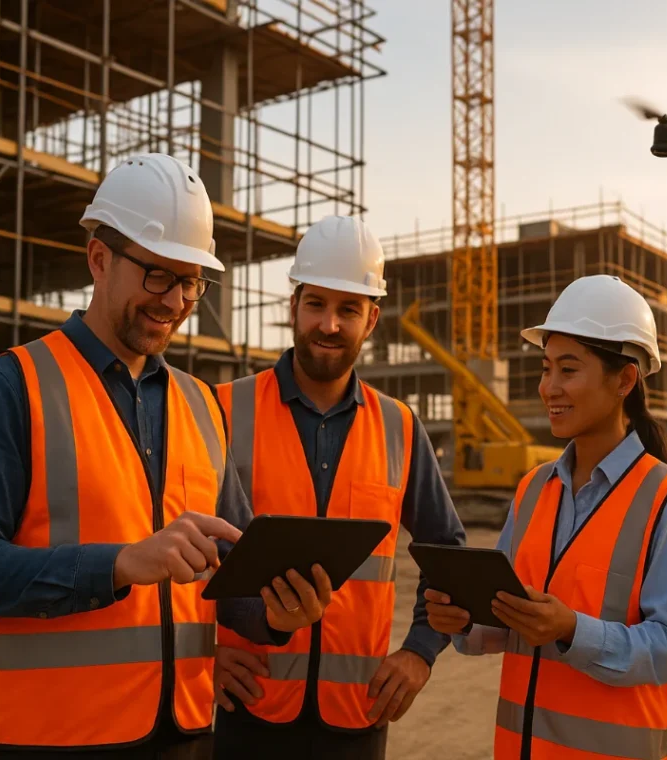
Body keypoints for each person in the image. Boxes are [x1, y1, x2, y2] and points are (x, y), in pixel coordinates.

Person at [0, 153, 316, 760]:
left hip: (185, 736)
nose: (176, 302)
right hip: (55, 741)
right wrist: (118, 565)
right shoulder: (13, 387)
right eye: (158, 275)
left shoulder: (200, 405)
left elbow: (231, 571)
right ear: (99, 259)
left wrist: (277, 614)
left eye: (191, 282)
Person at [209, 214, 467, 760]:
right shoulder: (223, 411)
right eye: (316, 305)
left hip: (356, 715)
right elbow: (178, 550)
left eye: (348, 309)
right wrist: (200, 651)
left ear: (371, 320)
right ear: (293, 306)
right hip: (245, 706)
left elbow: (449, 555)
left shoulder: (399, 427)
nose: (329, 324)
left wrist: (420, 652)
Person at [423, 274, 667, 760]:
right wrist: (462, 622)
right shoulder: (534, 489)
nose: (549, 387)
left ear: (624, 380)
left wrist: (570, 630)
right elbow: (504, 621)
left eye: (568, 369)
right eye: (546, 368)